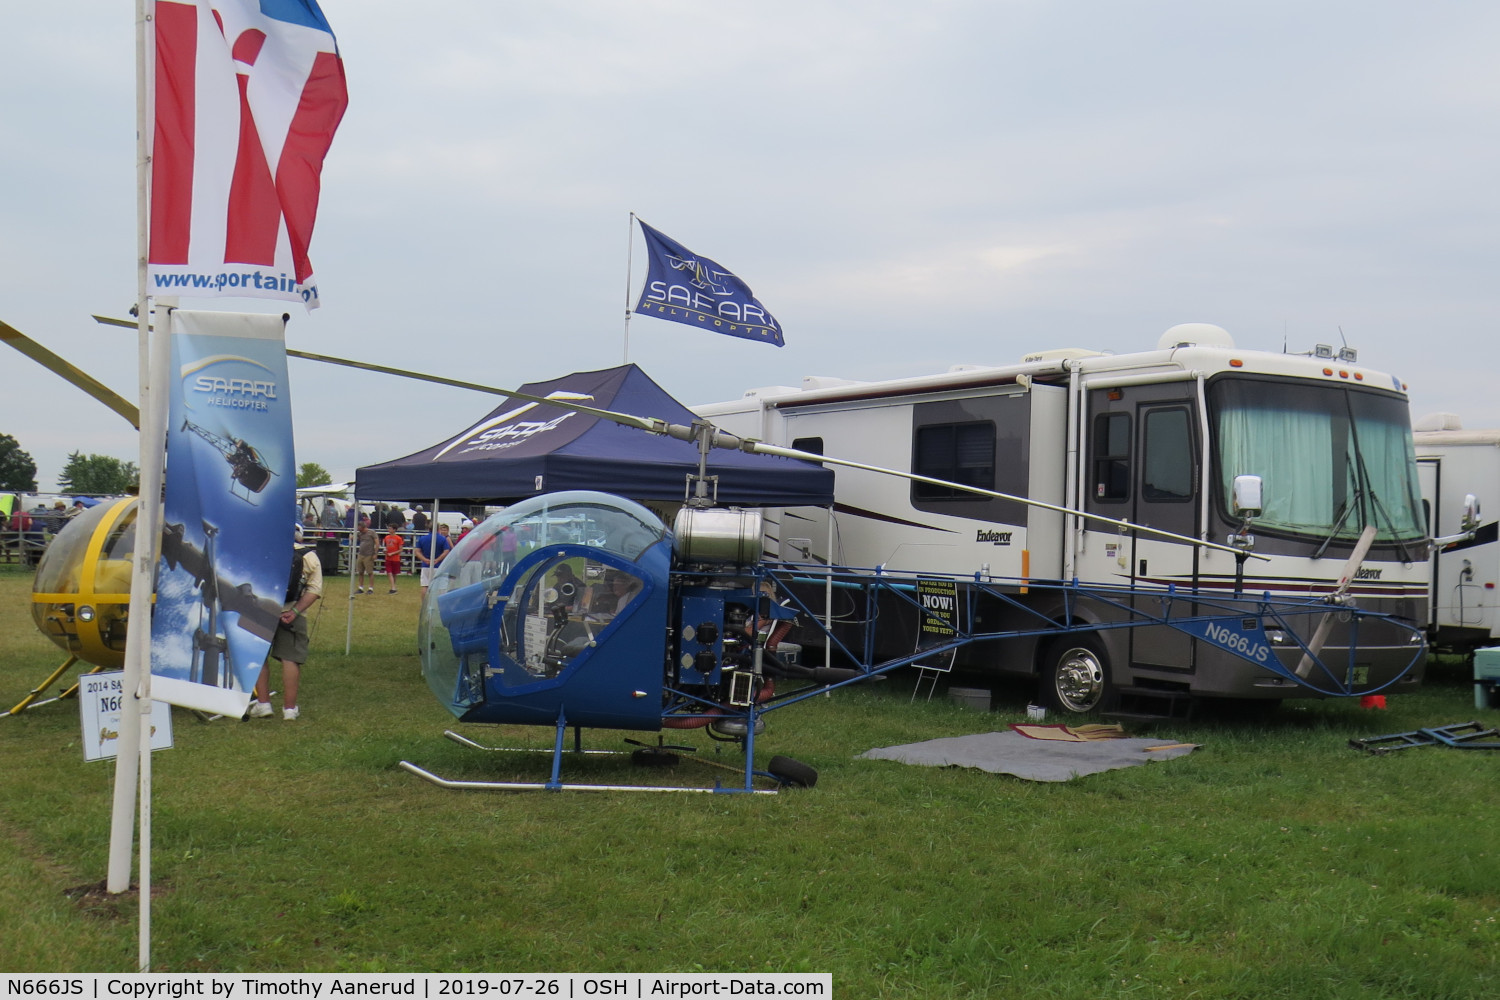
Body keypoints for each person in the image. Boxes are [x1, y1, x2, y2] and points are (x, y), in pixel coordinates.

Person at [248, 523, 322, 721]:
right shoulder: (309, 556)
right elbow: (313, 590)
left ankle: (263, 703)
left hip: (261, 609)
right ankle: (289, 709)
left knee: (258, 656)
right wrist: (295, 611)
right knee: (290, 659)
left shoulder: (262, 549)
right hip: (292, 613)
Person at [414, 522, 452, 597]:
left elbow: (417, 551)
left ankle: (424, 604)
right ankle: (439, 604)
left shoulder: (422, 539)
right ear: (438, 529)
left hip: (426, 565)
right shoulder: (443, 539)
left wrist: (424, 559)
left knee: (425, 585)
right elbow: (446, 551)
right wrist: (438, 559)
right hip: (439, 565)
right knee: (441, 586)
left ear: (428, 529)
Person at [354, 518, 377, 593]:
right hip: (361, 554)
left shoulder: (371, 532)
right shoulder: (360, 533)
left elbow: (377, 543)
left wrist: (375, 553)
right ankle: (360, 587)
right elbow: (354, 538)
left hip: (369, 555)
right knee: (360, 571)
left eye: (360, 528)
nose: (359, 530)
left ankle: (371, 588)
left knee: (370, 572)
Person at [382, 524, 405, 593]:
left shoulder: (398, 538)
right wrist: (385, 551)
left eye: (390, 528)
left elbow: (401, 549)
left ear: (394, 530)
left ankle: (393, 587)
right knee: (389, 573)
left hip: (395, 558)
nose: (389, 530)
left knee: (394, 573)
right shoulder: (386, 537)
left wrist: (393, 553)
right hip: (388, 558)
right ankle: (393, 587)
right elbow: (385, 547)